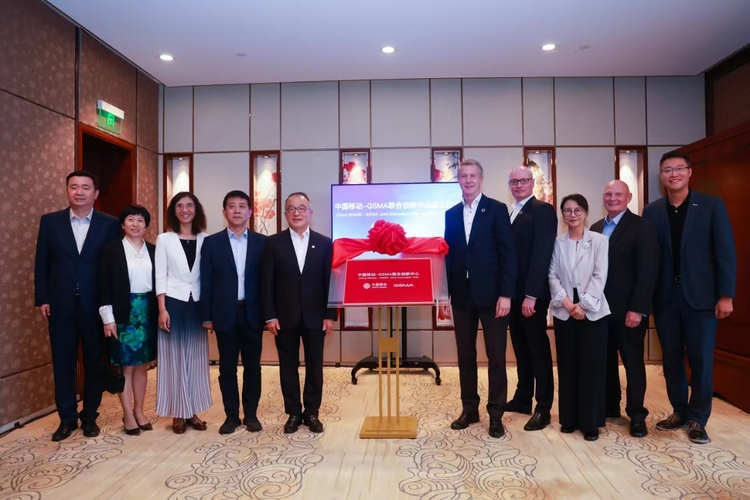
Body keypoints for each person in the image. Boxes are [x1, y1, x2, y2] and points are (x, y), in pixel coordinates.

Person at [642, 152, 736, 444]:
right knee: (671, 359)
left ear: (689, 172)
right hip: (666, 298)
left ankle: (698, 418)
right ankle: (679, 411)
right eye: (667, 170)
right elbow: (649, 257)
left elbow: (725, 252)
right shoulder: (652, 211)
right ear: (661, 176)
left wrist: (726, 295)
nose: (674, 174)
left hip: (702, 298)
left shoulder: (710, 206)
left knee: (701, 359)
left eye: (679, 168)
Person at [34, 171, 121, 442]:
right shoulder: (50, 222)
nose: (79, 192)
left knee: (94, 361)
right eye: (74, 187)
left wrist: (111, 306)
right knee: (63, 361)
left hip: (95, 305)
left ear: (96, 194)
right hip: (60, 304)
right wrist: (43, 298)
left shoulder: (110, 224)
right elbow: (42, 262)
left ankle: (90, 416)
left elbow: (113, 267)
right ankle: (67, 418)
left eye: (85, 187)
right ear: (67, 191)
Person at [441, 159, 517, 438]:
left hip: (494, 297)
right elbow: (449, 258)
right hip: (462, 297)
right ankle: (469, 409)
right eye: (464, 176)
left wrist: (506, 294)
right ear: (458, 180)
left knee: (496, 356)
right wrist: (446, 296)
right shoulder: (451, 214)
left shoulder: (497, 209)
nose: (468, 180)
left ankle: (496, 414)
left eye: (473, 176)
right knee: (465, 355)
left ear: (481, 179)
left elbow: (508, 254)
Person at [261, 192, 337, 434]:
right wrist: (270, 315)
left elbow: (330, 282)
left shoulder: (325, 243)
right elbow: (267, 282)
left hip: (316, 316)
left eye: (302, 208)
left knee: (315, 365)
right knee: (287, 366)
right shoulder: (273, 243)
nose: (297, 213)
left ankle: (312, 412)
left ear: (310, 213)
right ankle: (293, 413)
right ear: (285, 214)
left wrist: (329, 314)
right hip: (284, 317)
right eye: (291, 209)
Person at [591, 180, 658, 438]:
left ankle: (637, 415)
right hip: (600, 310)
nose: (612, 198)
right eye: (608, 194)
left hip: (629, 311)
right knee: (604, 361)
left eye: (618, 194)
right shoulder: (596, 227)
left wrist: (638, 309)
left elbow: (647, 271)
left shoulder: (642, 227)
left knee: (633, 364)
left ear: (628, 197)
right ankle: (610, 406)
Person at [201, 190, 267, 434]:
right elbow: (205, 281)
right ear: (224, 212)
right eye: (232, 206)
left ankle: (251, 415)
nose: (237, 210)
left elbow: (267, 282)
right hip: (224, 314)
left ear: (250, 212)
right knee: (227, 368)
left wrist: (268, 314)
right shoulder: (212, 243)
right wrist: (206, 316)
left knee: (253, 367)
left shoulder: (262, 242)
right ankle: (231, 416)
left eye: (242, 206)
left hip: (252, 313)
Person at [549, 194, 610, 441]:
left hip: (592, 311)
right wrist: (566, 302)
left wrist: (583, 305)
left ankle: (591, 422)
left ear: (585, 212)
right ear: (562, 215)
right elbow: (552, 275)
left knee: (591, 367)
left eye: (577, 210)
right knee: (567, 366)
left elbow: (600, 275)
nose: (572, 215)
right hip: (564, 310)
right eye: (567, 210)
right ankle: (569, 419)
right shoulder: (557, 242)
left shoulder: (599, 240)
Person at [505, 166, 557, 431]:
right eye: (514, 181)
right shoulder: (512, 210)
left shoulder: (542, 209)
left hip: (531, 295)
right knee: (520, 346)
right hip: (513, 294)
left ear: (532, 182)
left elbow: (542, 253)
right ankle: (523, 397)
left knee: (537, 349)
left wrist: (532, 295)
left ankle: (543, 406)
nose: (518, 185)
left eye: (523, 180)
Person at [155, 192, 212, 434]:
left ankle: (193, 411)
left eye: (189, 205)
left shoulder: (207, 240)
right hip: (173, 304)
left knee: (196, 359)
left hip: (197, 304)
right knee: (174, 359)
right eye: (179, 206)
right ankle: (178, 413)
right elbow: (160, 275)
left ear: (196, 209)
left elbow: (209, 277)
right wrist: (162, 309)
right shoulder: (164, 239)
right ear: (174, 211)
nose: (185, 209)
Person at [98, 205, 158, 436]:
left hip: (147, 312)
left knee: (142, 365)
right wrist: (108, 318)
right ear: (123, 224)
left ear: (146, 225)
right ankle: (127, 414)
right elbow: (104, 284)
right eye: (130, 219)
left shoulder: (153, 250)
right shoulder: (112, 250)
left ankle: (139, 410)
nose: (135, 224)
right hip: (123, 313)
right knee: (126, 367)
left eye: (140, 220)